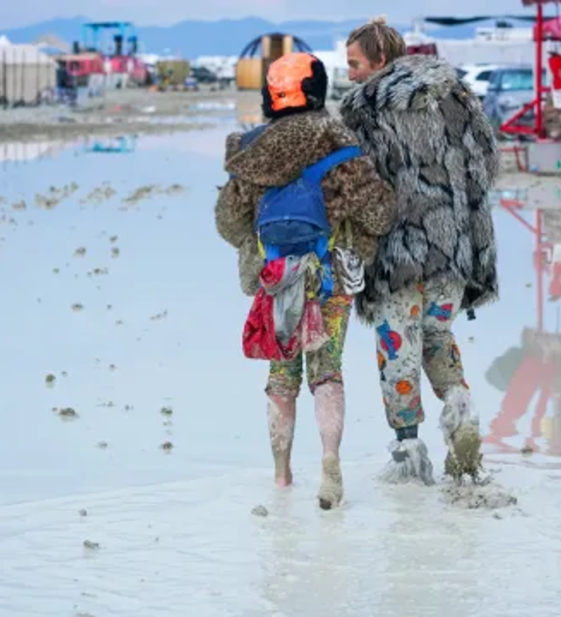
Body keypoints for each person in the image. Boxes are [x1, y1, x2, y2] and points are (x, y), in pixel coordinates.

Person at [216, 52, 395, 509]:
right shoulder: (339, 143)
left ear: (270, 95)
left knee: (281, 376)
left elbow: (228, 222)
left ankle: (280, 477)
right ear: (316, 90)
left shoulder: (250, 149)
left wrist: (262, 250)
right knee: (327, 370)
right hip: (330, 275)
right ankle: (330, 462)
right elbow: (378, 212)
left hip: (273, 278)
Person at [340, 18, 500, 483]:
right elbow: (486, 164)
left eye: (354, 64)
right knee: (438, 338)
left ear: (380, 61)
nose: (348, 74)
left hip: (397, 255)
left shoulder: (365, 109)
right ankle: (461, 413)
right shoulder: (457, 96)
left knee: (398, 350)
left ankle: (409, 452)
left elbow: (358, 191)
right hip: (453, 250)